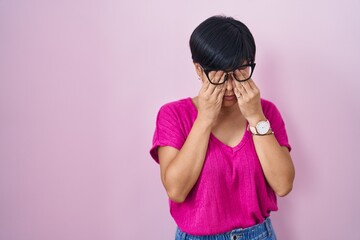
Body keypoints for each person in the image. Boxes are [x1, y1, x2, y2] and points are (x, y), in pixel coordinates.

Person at [149, 15, 295, 240]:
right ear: (199, 70)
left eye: (239, 72)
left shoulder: (267, 112)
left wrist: (256, 117)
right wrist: (205, 118)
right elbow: (176, 191)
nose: (229, 87)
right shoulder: (173, 115)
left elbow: (283, 185)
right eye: (218, 75)